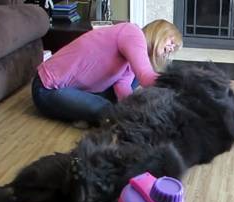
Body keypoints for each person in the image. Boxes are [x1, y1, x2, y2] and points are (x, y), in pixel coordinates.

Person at [32, 19, 182, 126]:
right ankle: (84, 113)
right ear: (159, 31)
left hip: (76, 88)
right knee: (108, 110)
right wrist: (181, 82)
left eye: (173, 48)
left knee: (122, 108)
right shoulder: (132, 32)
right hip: (46, 88)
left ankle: (80, 113)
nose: (171, 49)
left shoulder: (130, 60)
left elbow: (122, 89)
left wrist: (134, 110)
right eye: (171, 41)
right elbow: (146, 77)